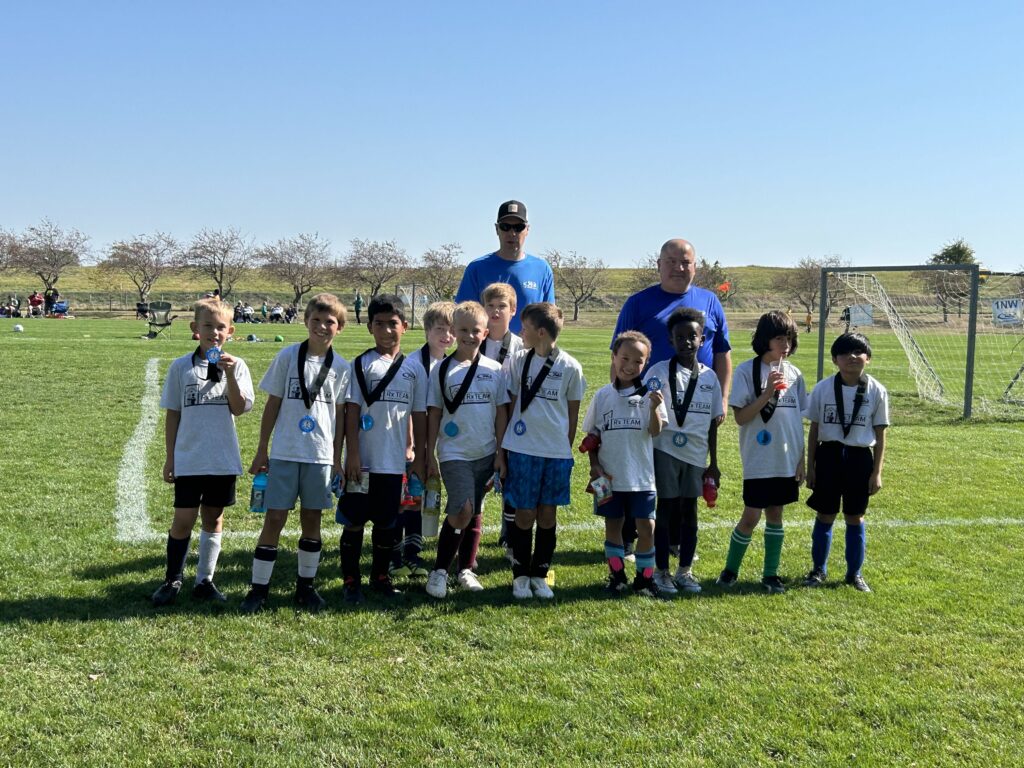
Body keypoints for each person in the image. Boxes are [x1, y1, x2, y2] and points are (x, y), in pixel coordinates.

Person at [240, 293, 351, 613]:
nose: (322, 326)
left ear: (339, 328)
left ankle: (306, 588)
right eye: (316, 320)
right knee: (274, 517)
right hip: (285, 452)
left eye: (329, 321)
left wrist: (337, 457)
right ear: (306, 322)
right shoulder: (287, 357)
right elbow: (272, 404)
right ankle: (258, 589)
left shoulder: (341, 368)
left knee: (311, 518)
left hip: (319, 456)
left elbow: (341, 418)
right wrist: (262, 449)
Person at [152, 298, 255, 605]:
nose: (214, 332)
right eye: (207, 326)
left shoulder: (237, 366)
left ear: (231, 331)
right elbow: (174, 414)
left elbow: (240, 408)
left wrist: (230, 375)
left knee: (214, 518)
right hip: (189, 458)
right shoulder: (180, 367)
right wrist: (170, 457)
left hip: (221, 459)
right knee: (183, 519)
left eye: (220, 327)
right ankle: (172, 580)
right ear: (195, 329)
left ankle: (204, 581)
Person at [339, 294, 428, 603]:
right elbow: (351, 410)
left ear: (405, 326)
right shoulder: (360, 364)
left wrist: (419, 455)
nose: (387, 330)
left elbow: (418, 415)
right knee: (354, 520)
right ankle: (351, 579)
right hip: (362, 462)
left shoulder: (414, 369)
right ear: (369, 327)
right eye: (379, 324)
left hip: (394, 462)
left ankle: (380, 576)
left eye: (393, 324)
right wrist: (352, 453)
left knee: (387, 522)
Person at [717, 311, 807, 594]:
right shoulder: (746, 371)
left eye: (789, 338)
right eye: (779, 338)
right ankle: (729, 571)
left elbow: (797, 421)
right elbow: (742, 418)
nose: (785, 345)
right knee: (751, 516)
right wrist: (767, 392)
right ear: (764, 339)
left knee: (776, 514)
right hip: (758, 457)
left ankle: (771, 574)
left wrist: (801, 459)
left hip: (787, 459)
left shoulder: (795, 374)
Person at [424, 301, 509, 598]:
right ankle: (439, 571)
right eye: (463, 330)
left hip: (485, 452)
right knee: (462, 508)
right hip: (453, 453)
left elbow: (501, 413)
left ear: (485, 333)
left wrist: (500, 452)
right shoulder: (442, 370)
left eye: (475, 330)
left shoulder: (495, 369)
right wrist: (430, 452)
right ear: (453, 331)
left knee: (475, 511)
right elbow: (433, 412)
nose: (469, 336)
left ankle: (466, 569)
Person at [502, 302, 585, 599]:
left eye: (523, 328)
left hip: (555, 454)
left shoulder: (571, 366)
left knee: (548, 515)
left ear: (539, 332)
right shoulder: (517, 361)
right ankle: (520, 575)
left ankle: (540, 575)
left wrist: (564, 448)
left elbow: (572, 415)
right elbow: (509, 403)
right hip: (522, 449)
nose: (519, 332)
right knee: (524, 514)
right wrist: (504, 448)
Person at [642, 307, 723, 595]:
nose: (687, 342)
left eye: (693, 336)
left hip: (696, 454)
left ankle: (685, 570)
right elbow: (646, 411)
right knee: (665, 509)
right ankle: (661, 571)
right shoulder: (658, 372)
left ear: (702, 339)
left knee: (690, 512)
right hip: (665, 449)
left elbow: (714, 423)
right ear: (671, 339)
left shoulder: (710, 378)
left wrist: (713, 463)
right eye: (680, 337)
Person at [803, 332, 889, 592]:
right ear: (834, 359)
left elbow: (881, 433)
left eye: (859, 352)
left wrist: (877, 472)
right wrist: (810, 467)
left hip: (859, 458)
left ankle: (854, 573)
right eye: (845, 353)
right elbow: (814, 430)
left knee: (855, 516)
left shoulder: (877, 390)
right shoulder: (822, 388)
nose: (852, 357)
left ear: (868, 359)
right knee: (825, 514)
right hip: (828, 456)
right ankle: (818, 570)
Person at [583, 331, 667, 596]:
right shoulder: (603, 395)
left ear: (646, 363)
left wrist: (654, 409)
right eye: (625, 358)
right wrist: (594, 466)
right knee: (613, 525)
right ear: (614, 357)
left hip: (641, 476)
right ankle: (617, 575)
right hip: (607, 476)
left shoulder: (650, 396)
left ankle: (645, 578)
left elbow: (655, 431)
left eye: (638, 361)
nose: (630, 366)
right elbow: (592, 437)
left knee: (647, 527)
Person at [390, 300, 455, 580]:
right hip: (412, 445)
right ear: (426, 330)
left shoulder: (452, 364)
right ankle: (394, 557)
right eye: (441, 328)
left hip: (437, 445)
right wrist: (413, 447)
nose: (447, 336)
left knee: (419, 500)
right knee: (405, 500)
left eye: (452, 330)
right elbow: (406, 410)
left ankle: (413, 556)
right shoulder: (413, 364)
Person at [454, 201, 555, 334]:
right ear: (496, 229)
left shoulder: (542, 269)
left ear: (527, 230)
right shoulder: (477, 268)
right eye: (505, 226)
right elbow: (463, 316)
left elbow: (549, 319)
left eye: (518, 227)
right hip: (487, 351)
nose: (512, 233)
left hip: (528, 350)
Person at [480, 282, 525, 556]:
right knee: (480, 480)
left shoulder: (521, 347)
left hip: (511, 423)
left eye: (502, 306)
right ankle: (473, 527)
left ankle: (508, 532)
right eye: (490, 306)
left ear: (513, 310)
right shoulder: (474, 342)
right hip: (480, 421)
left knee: (511, 478)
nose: (496, 312)